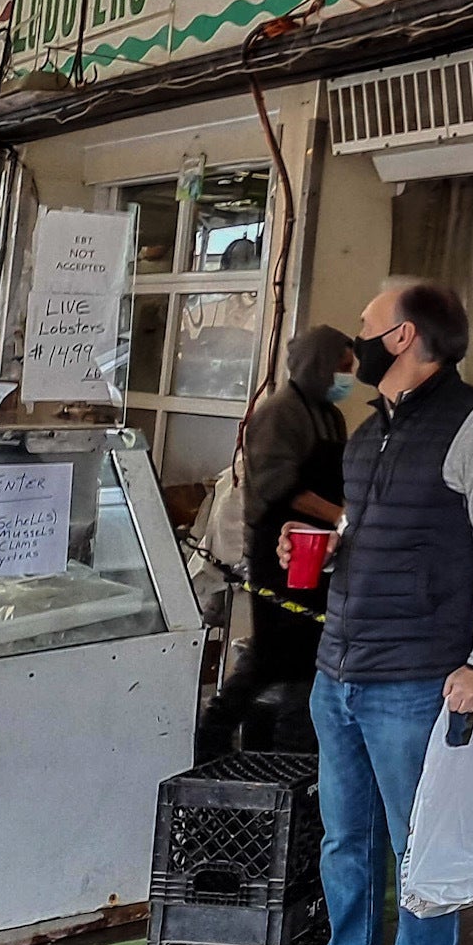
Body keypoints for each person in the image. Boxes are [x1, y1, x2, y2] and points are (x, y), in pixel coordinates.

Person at [262, 283, 473, 945]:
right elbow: (372, 529)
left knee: (424, 849)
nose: (358, 343)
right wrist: (320, 544)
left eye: (368, 329)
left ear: (406, 336)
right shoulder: (367, 428)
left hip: (418, 678)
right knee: (347, 842)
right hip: (340, 667)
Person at [196, 325, 354, 759]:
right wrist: (342, 517)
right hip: (278, 551)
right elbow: (279, 485)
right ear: (320, 364)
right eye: (344, 365)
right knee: (270, 653)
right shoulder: (278, 413)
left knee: (308, 652)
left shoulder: (330, 415)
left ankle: (295, 750)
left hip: (319, 552)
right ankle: (213, 737)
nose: (350, 374)